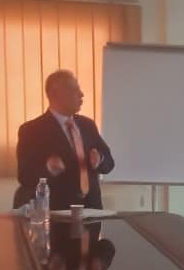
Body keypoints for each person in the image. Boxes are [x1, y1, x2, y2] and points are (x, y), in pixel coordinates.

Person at [15, 69, 114, 212]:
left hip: (91, 209)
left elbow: (109, 163)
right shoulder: (31, 130)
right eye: (75, 90)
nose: (81, 94)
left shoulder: (87, 125)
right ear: (56, 95)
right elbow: (25, 176)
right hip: (56, 211)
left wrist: (100, 159)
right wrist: (49, 169)